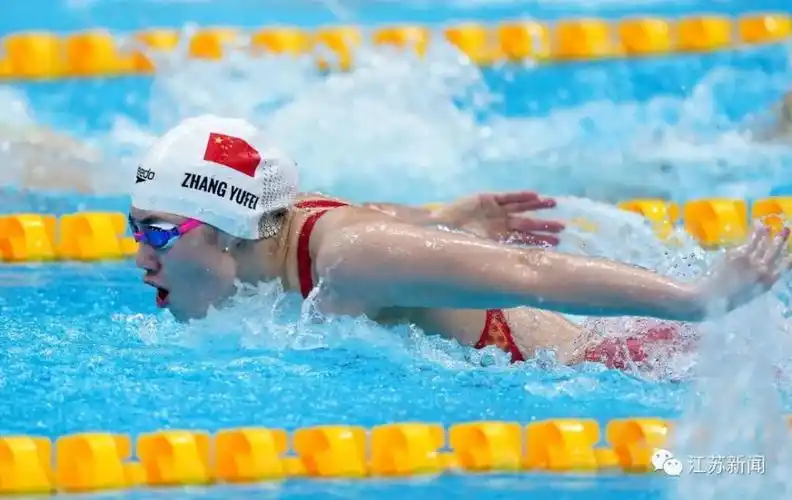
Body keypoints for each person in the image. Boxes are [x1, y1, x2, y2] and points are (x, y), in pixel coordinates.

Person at [129, 115, 792, 371]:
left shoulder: (350, 259)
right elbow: (378, 218)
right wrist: (437, 221)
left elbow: (533, 272)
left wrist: (697, 297)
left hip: (626, 358)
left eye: (159, 231)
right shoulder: (283, 227)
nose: (141, 256)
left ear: (234, 227)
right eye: (136, 228)